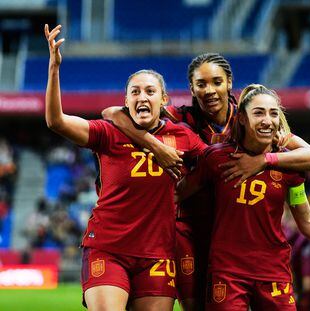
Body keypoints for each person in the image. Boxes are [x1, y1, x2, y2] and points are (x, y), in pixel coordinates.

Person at [102, 53, 310, 310]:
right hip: (189, 228)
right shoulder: (180, 117)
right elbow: (113, 113)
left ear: (229, 82)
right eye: (201, 84)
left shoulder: (250, 119)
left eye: (216, 82)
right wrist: (156, 146)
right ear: (192, 88)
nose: (209, 91)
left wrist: (264, 159)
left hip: (233, 234)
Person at [44, 24, 207, 311]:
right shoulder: (108, 133)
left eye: (150, 91)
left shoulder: (184, 137)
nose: (142, 97)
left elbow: (215, 166)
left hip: (158, 254)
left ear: (164, 100)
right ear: (126, 101)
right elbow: (57, 122)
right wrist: (54, 69)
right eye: (135, 92)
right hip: (108, 248)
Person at [177, 84, 310, 310]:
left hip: (273, 271)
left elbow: (307, 221)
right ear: (242, 118)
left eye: (274, 113)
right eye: (259, 113)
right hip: (227, 273)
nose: (267, 120)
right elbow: (178, 194)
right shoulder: (215, 158)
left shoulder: (290, 166)